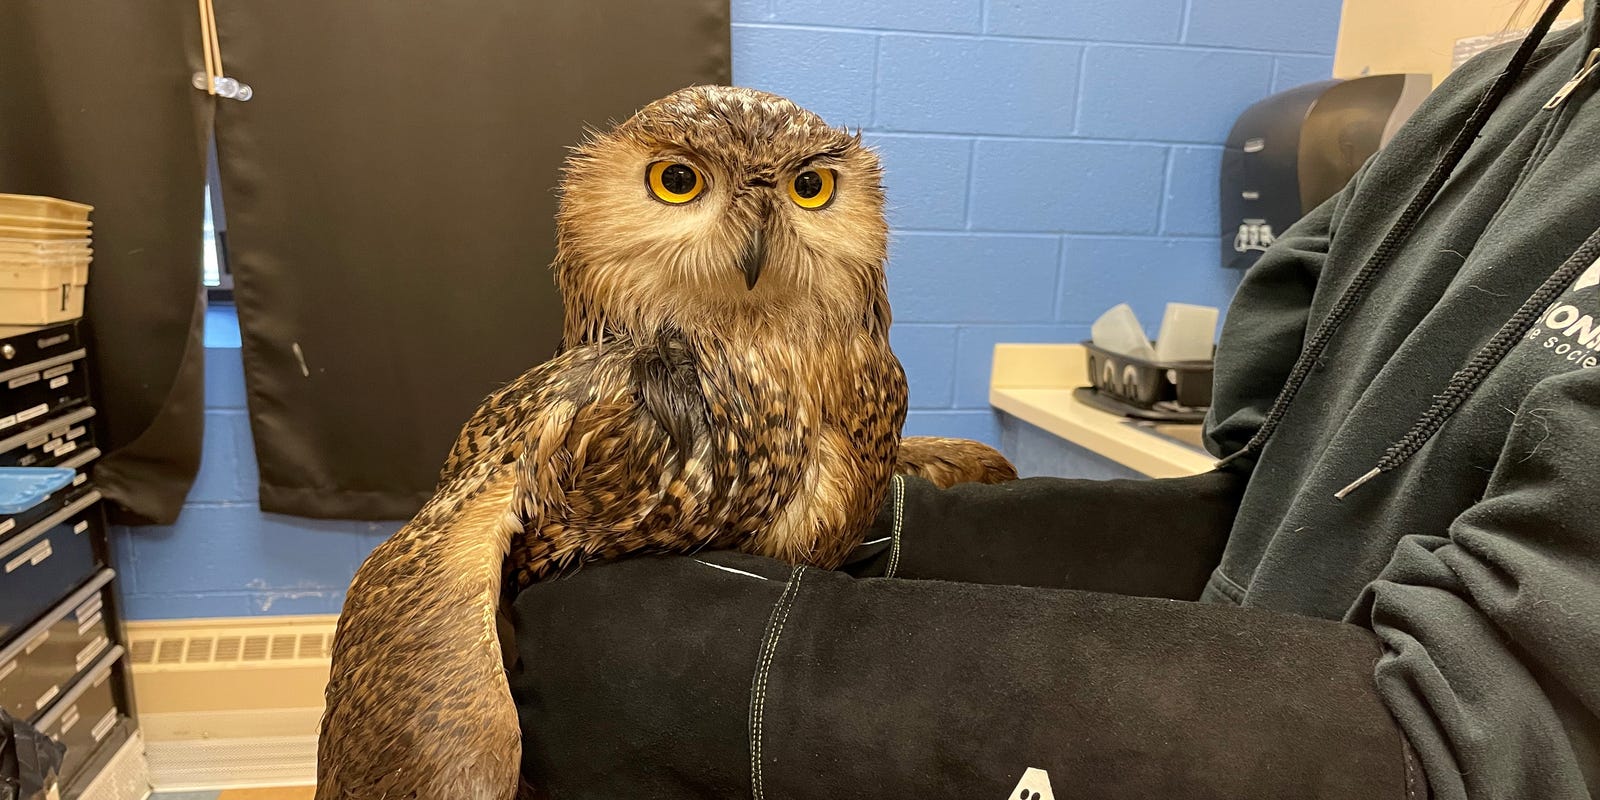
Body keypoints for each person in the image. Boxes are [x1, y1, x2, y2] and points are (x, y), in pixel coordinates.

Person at [507, 1, 1599, 796]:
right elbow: (1272, 507)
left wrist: (775, 670)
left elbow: (1511, 736)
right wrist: (863, 528)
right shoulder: (1493, 97)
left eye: (806, 191)